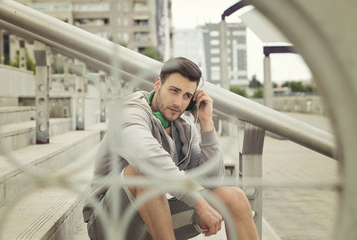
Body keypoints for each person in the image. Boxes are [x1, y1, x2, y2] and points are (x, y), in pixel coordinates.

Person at [83, 57, 259, 240]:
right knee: (143, 174)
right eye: (174, 91)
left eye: (186, 96)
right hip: (109, 225)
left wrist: (207, 123)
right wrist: (199, 204)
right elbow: (150, 160)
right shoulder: (129, 114)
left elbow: (212, 180)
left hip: (153, 220)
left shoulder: (184, 128)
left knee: (234, 198)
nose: (178, 103)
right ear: (158, 84)